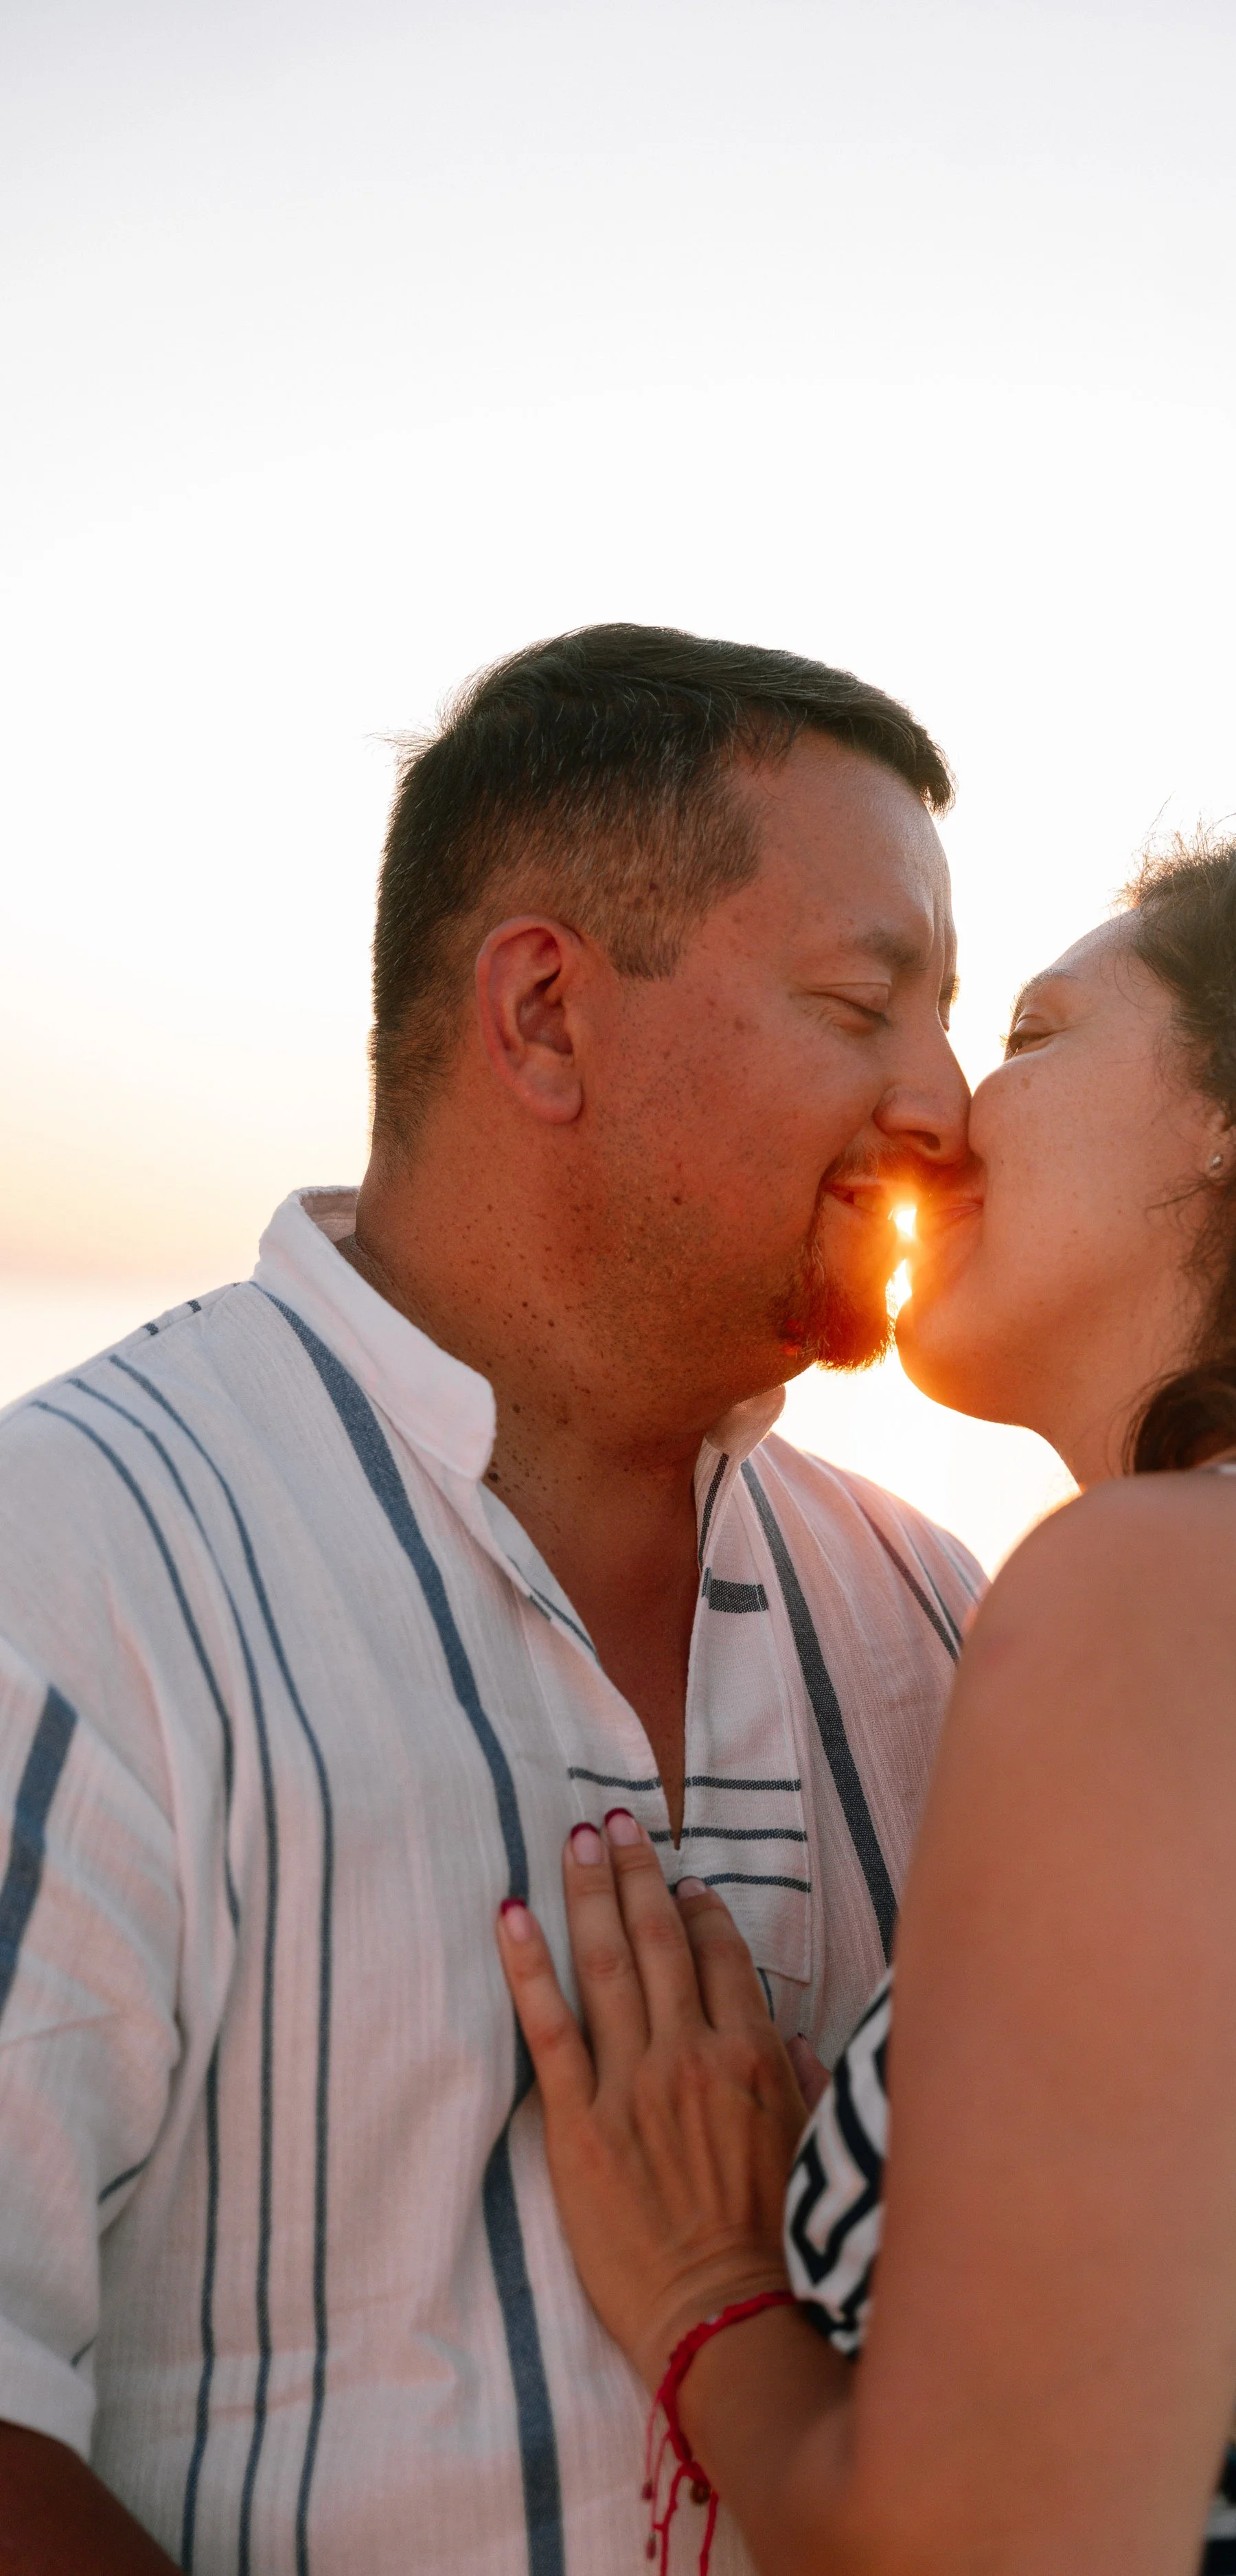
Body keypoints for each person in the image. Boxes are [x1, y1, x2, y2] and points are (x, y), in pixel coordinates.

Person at [496, 833, 1236, 2575]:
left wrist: (708, 2294)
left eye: (1032, 1034)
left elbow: (986, 2550)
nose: (940, 1114)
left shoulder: (1176, 1588)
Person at [0, 626, 983, 2573]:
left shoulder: (934, 1616)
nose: (947, 1105)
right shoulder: (78, 1562)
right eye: (864, 1002)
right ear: (542, 1015)